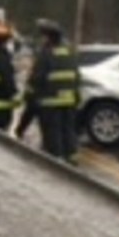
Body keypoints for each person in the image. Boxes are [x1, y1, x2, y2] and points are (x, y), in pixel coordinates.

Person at [28, 19, 80, 163]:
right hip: (69, 100)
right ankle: (71, 156)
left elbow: (37, 77)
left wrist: (32, 94)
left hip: (50, 102)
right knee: (68, 130)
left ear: (48, 37)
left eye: (43, 36)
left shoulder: (46, 53)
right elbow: (76, 76)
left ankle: (55, 160)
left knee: (53, 132)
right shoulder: (70, 52)